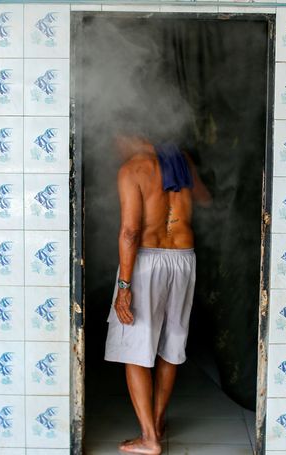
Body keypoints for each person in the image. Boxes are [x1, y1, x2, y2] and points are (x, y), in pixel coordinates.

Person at [104, 130, 211, 455]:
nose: (115, 147)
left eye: (116, 139)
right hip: (183, 259)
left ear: (130, 134)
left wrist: (124, 286)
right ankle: (159, 422)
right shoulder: (180, 160)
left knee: (134, 348)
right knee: (170, 344)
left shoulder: (132, 169)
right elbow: (204, 198)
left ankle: (149, 438)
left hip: (147, 262)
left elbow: (130, 231)